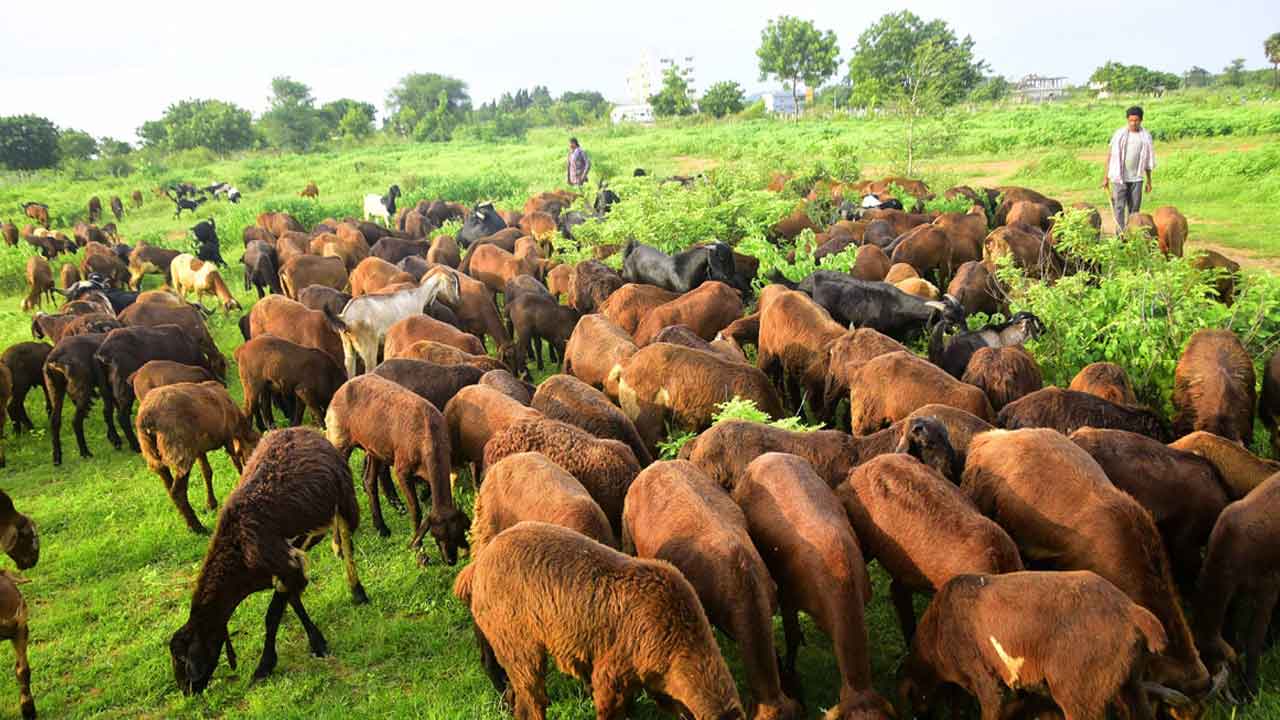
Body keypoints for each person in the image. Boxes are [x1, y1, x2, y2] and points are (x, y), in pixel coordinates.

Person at [1102, 106, 1155, 232]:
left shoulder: (1145, 137)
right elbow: (1110, 156)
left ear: (1141, 120)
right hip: (1119, 178)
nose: (1133, 123)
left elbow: (1148, 161)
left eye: (1136, 120)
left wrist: (1149, 181)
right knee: (1119, 207)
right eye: (1131, 120)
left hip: (1137, 178)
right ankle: (1120, 235)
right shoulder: (1119, 135)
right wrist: (1106, 177)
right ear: (1127, 120)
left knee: (1134, 210)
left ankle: (1132, 234)